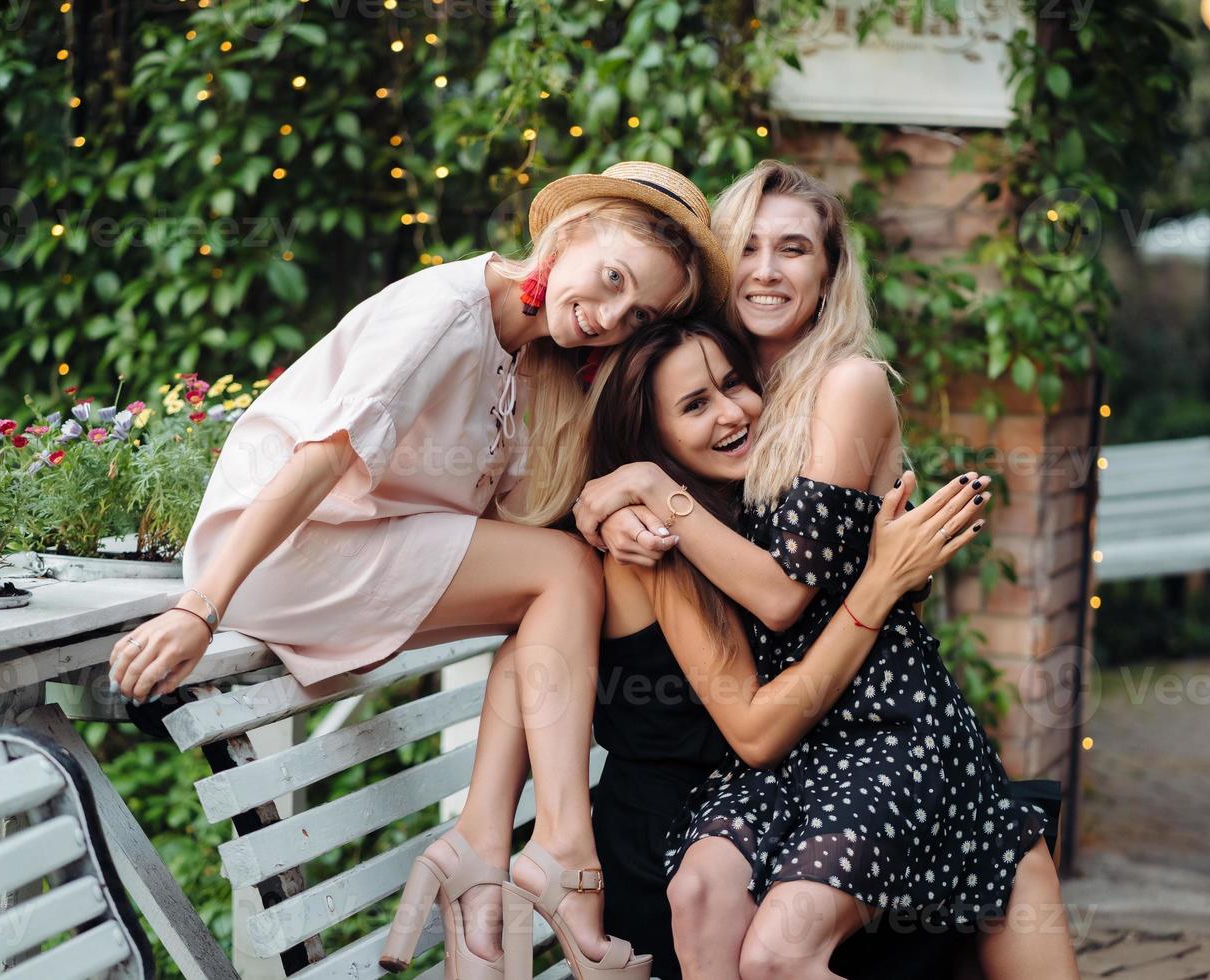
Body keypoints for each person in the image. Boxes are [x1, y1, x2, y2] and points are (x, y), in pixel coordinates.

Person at [106, 161, 731, 980]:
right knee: (563, 577)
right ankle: (562, 854)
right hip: (287, 552)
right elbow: (319, 463)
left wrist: (608, 504)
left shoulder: (531, 355)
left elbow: (523, 526)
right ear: (570, 234)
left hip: (355, 544)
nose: (610, 315)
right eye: (611, 279)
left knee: (558, 593)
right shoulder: (449, 314)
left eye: (638, 312)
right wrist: (200, 607)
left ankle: (479, 846)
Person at [575, 160, 1080, 979]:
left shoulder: (845, 385)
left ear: (829, 272)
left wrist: (648, 490)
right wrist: (607, 497)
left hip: (881, 722)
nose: (768, 270)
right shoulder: (731, 385)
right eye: (750, 247)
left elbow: (778, 597)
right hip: (786, 737)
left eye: (796, 249)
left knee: (778, 952)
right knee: (701, 897)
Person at [583, 317, 991, 979]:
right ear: (651, 440)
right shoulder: (654, 540)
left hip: (762, 807)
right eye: (694, 405)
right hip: (669, 840)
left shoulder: (746, 509)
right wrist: (880, 584)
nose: (731, 411)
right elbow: (757, 723)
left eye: (735, 384)